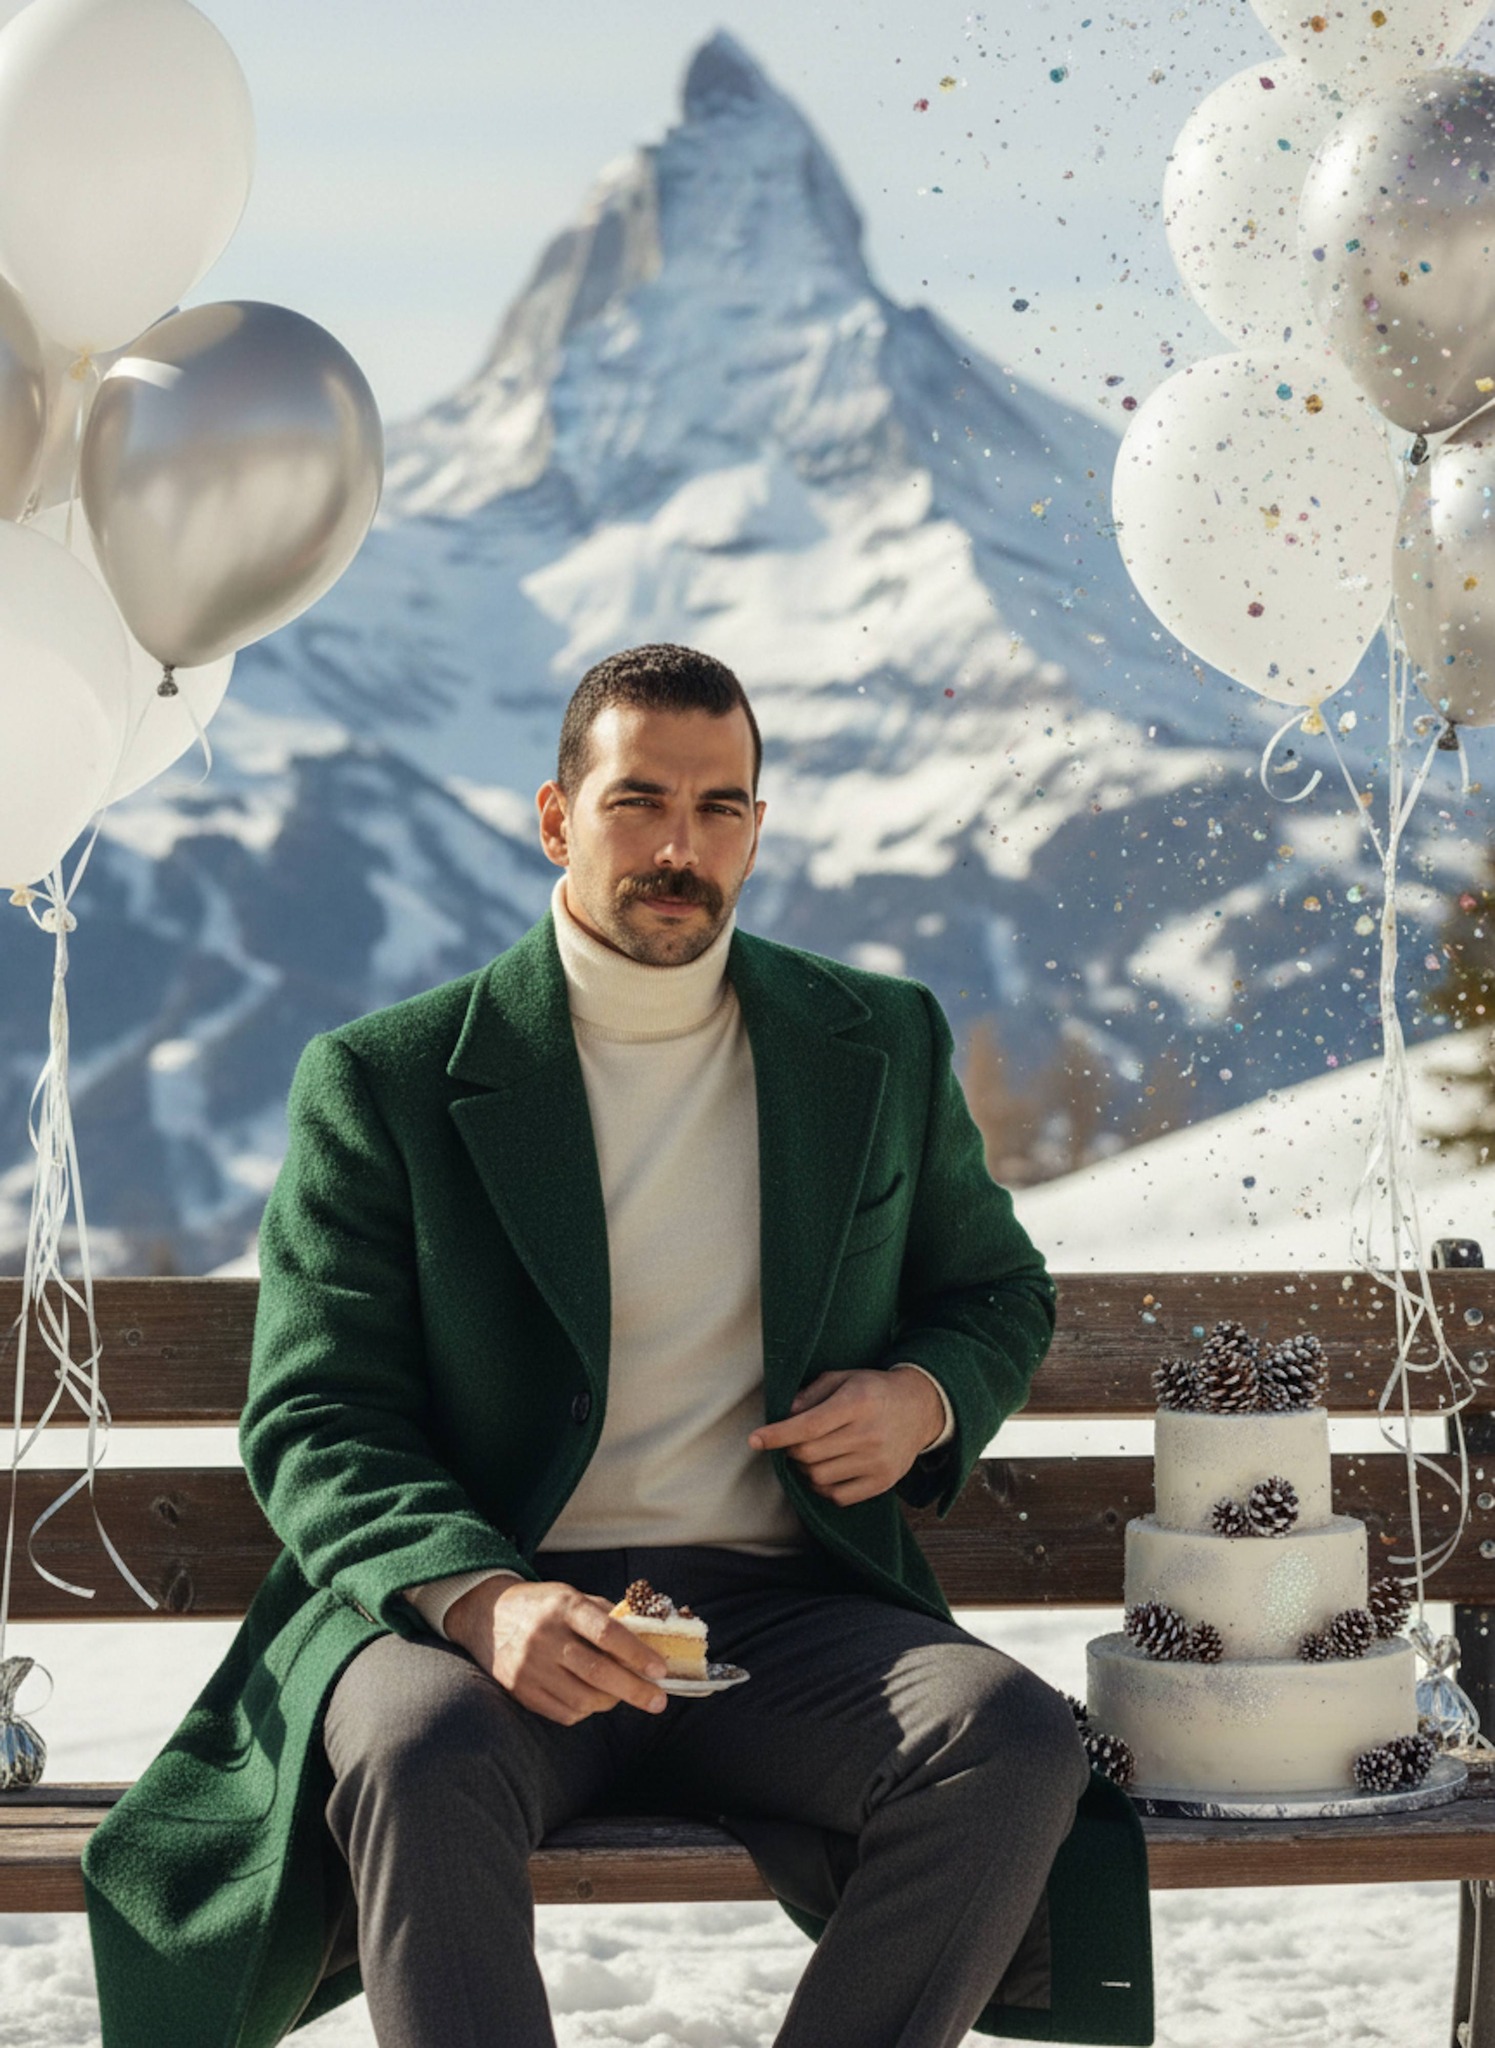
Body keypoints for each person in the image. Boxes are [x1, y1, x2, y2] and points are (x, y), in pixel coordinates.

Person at [82, 645, 1152, 2048]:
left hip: (783, 1620)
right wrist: (480, 1601)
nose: (677, 846)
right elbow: (317, 1411)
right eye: (639, 801)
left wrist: (925, 1397)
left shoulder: (875, 1043)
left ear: (757, 832)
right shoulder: (389, 1078)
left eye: (719, 810)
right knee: (413, 1751)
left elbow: (995, 1288)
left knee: (1010, 1742)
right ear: (555, 817)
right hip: (485, 1614)